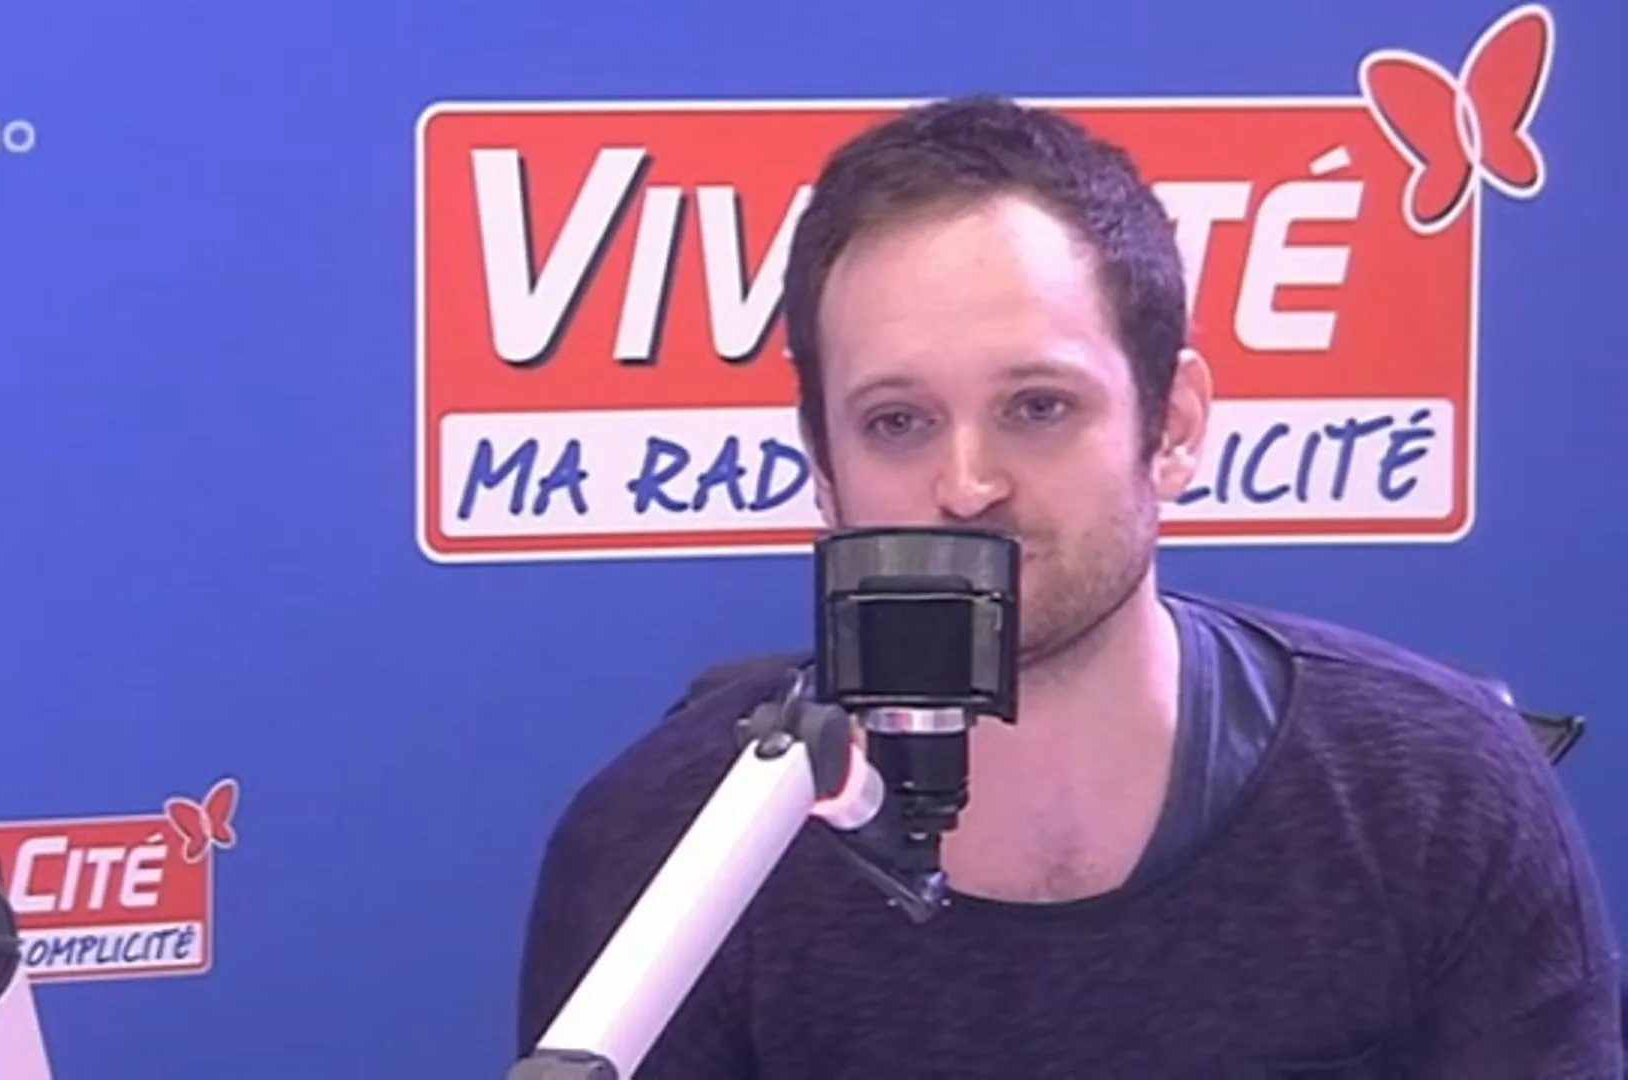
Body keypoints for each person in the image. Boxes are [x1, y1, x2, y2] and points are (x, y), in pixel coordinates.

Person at [514, 94, 1623, 1078]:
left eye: (1037, 407)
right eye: (897, 422)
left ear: (1172, 426)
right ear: (824, 468)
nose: (966, 485)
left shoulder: (1434, 797)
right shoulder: (670, 855)